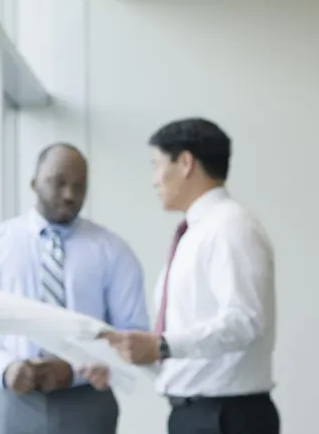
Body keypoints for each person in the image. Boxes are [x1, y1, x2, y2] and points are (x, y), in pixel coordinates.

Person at [101, 118, 279, 434]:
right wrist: (126, 358)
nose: (153, 180)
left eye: (157, 165)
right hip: (198, 414)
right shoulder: (196, 231)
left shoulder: (231, 226)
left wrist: (162, 346)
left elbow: (245, 321)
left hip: (225, 418)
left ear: (185, 163)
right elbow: (190, 341)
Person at [0, 143, 149, 434]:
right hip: (13, 401)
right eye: (59, 183)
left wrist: (74, 369)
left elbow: (132, 333)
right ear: (34, 182)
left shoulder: (113, 251)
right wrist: (5, 368)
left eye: (79, 186)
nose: (70, 195)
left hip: (86, 401)